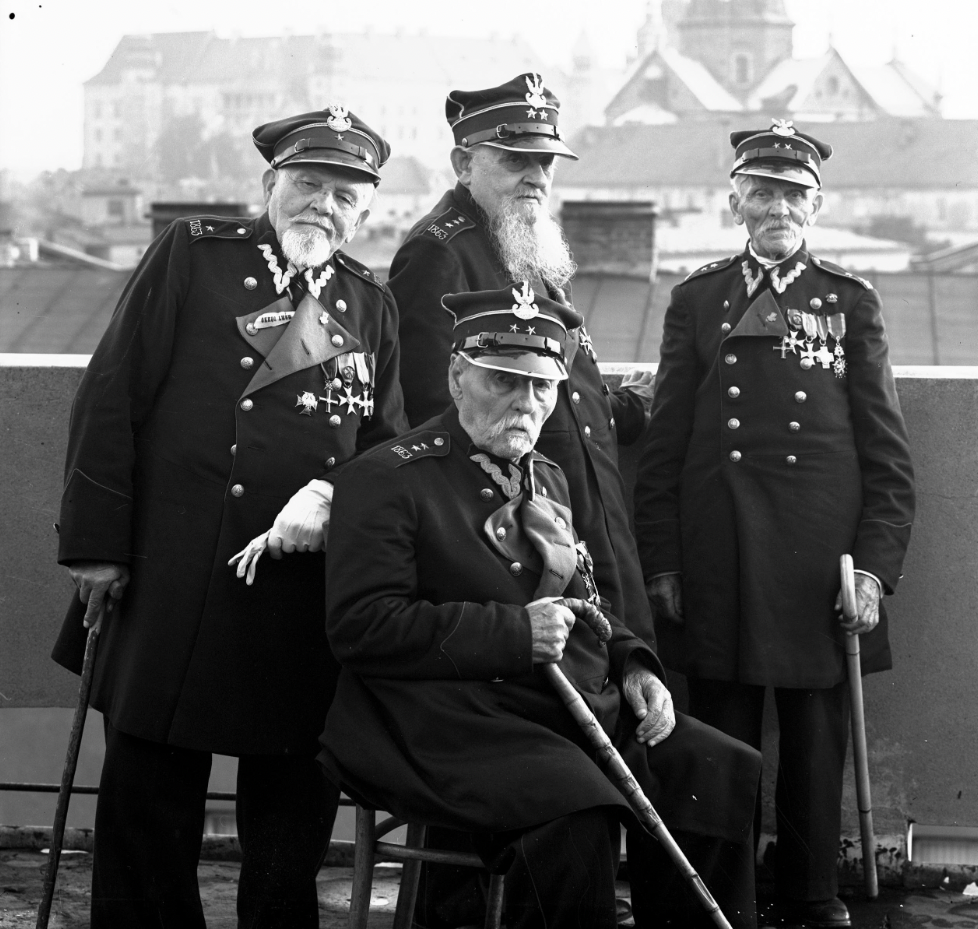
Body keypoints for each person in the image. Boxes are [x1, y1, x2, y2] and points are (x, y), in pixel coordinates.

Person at [52, 105, 407, 929]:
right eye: (308, 183)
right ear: (269, 185)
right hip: (174, 574)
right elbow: (111, 397)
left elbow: (385, 451)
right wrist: (96, 549)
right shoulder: (196, 257)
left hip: (294, 597)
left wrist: (336, 496)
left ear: (367, 210)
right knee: (148, 802)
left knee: (289, 819)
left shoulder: (371, 306)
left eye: (344, 193)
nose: (323, 203)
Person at [320, 283, 762, 929]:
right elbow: (360, 627)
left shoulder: (546, 476)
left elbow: (584, 598)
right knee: (575, 812)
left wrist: (634, 664)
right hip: (439, 719)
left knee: (714, 766)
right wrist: (512, 635)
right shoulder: (387, 478)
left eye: (542, 387)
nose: (526, 405)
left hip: (550, 708)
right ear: (457, 375)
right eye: (504, 381)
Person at [633, 120, 916, 929]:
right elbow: (666, 444)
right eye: (761, 191)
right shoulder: (697, 299)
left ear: (815, 205)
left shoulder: (851, 303)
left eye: (792, 193)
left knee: (814, 742)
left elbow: (888, 459)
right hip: (717, 554)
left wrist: (871, 572)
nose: (776, 206)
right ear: (735, 202)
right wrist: (663, 560)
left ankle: (810, 894)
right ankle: (726, 898)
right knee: (718, 735)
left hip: (816, 566)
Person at [387, 71, 655, 646]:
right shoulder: (440, 252)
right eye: (514, 159)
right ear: (464, 163)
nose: (535, 176)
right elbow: (440, 411)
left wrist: (630, 406)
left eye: (546, 162)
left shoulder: (525, 240)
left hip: (590, 512)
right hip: (519, 530)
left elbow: (568, 392)